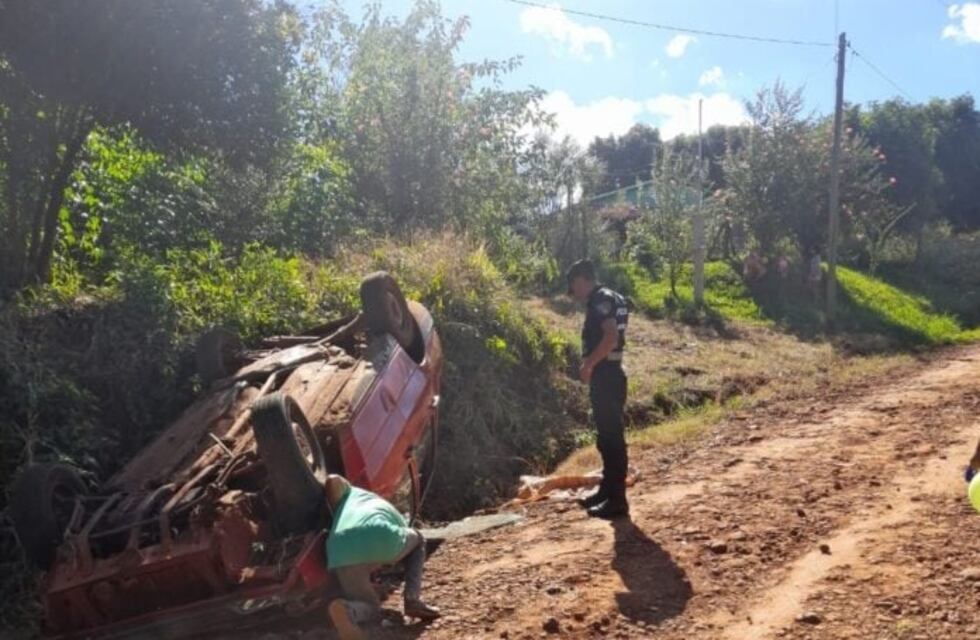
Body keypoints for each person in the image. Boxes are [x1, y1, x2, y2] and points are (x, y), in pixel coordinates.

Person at [324, 475, 440, 640]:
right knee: (418, 539)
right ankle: (412, 600)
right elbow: (334, 480)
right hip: (380, 535)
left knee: (370, 604)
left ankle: (349, 609)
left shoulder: (347, 502)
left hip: (338, 548)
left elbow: (331, 480)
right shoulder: (382, 507)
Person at [566, 259, 630, 519]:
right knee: (606, 438)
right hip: (612, 373)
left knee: (612, 440)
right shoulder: (614, 297)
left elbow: (611, 336)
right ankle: (607, 491)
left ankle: (617, 501)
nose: (575, 294)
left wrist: (588, 365)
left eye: (574, 287)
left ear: (582, 280)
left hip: (606, 374)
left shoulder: (599, 300)